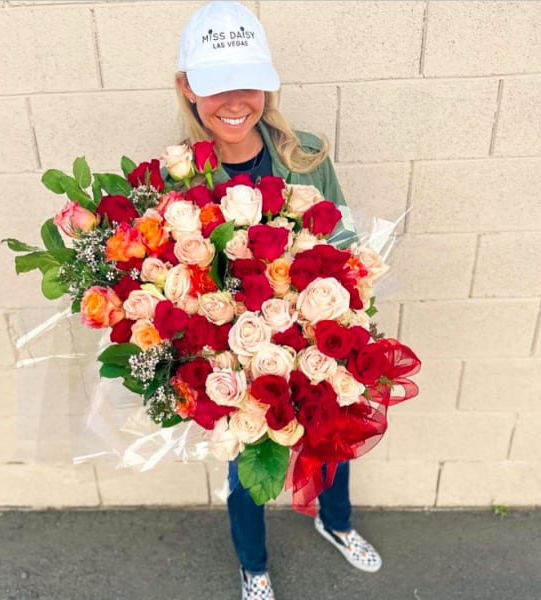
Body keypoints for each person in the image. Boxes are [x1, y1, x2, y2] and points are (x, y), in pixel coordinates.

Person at [174, 2, 382, 598]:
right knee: (247, 470)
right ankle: (254, 565)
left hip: (315, 339)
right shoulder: (180, 180)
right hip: (235, 359)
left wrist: (351, 321)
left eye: (249, 82)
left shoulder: (306, 154)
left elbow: (343, 240)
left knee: (331, 437)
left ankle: (335, 522)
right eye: (216, 85)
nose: (235, 102)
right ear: (188, 87)